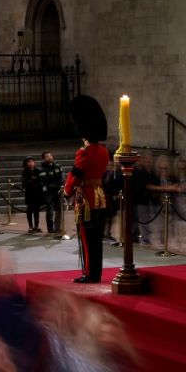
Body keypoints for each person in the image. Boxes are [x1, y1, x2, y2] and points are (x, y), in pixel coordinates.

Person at [62, 96, 111, 283]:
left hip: (87, 201)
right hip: (100, 196)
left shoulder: (85, 152)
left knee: (87, 238)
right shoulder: (103, 150)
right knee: (96, 239)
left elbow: (75, 176)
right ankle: (95, 273)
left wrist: (67, 192)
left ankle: (90, 273)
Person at [40, 150, 64, 236]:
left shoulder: (57, 166)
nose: (49, 157)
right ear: (44, 159)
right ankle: (50, 228)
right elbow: (46, 181)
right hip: (49, 193)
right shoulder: (42, 169)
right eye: (47, 156)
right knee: (50, 211)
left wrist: (61, 184)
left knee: (59, 210)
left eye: (50, 156)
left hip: (58, 191)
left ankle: (58, 227)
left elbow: (61, 177)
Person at [21, 156, 45, 233]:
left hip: (37, 193)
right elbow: (24, 184)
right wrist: (31, 179)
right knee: (30, 210)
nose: (31, 163)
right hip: (29, 194)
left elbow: (41, 181)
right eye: (29, 162)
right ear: (26, 164)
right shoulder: (25, 172)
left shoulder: (38, 171)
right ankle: (30, 226)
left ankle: (36, 226)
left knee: (36, 211)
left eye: (32, 161)